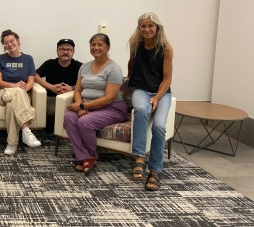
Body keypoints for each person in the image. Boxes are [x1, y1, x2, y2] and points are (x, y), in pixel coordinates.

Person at [64, 33, 127, 175]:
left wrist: (82, 107)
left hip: (112, 108)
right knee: (69, 117)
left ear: (108, 47)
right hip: (89, 107)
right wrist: (80, 103)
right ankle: (86, 157)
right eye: (93, 44)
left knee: (85, 122)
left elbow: (109, 98)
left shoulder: (114, 69)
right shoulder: (84, 67)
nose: (96, 47)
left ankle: (89, 156)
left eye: (100, 45)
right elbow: (78, 90)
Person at [127, 12, 173, 191]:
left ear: (157, 27)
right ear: (139, 28)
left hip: (162, 92)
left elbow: (167, 79)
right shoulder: (135, 45)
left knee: (159, 126)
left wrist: (157, 97)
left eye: (150, 26)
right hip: (141, 89)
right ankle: (139, 158)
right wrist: (129, 79)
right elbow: (131, 64)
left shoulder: (165, 48)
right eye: (143, 26)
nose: (146, 29)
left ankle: (154, 170)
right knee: (140, 109)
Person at [0, 30, 41, 156]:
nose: (9, 44)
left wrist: (22, 91)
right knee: (15, 95)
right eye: (6, 43)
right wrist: (14, 86)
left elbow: (31, 80)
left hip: (21, 93)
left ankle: (12, 143)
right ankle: (26, 130)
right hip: (3, 92)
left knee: (11, 107)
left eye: (12, 41)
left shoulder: (28, 59)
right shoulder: (0, 59)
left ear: (18, 40)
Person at [34, 38, 83, 129]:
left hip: (72, 97)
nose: (65, 52)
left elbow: (87, 82)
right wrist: (50, 87)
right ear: (57, 51)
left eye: (68, 50)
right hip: (52, 97)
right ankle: (51, 134)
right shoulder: (50, 64)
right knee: (52, 112)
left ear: (73, 52)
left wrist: (72, 88)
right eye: (62, 49)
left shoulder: (79, 66)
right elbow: (34, 76)